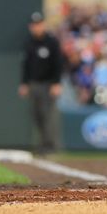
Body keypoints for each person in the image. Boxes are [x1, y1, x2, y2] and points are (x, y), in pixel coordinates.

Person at [19, 11, 63, 155]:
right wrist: (24, 83)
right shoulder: (29, 43)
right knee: (37, 115)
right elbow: (25, 65)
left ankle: (51, 145)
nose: (36, 27)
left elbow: (58, 63)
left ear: (43, 25)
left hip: (48, 84)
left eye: (39, 24)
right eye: (34, 25)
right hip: (34, 84)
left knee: (48, 116)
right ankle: (42, 145)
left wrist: (56, 83)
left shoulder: (52, 42)